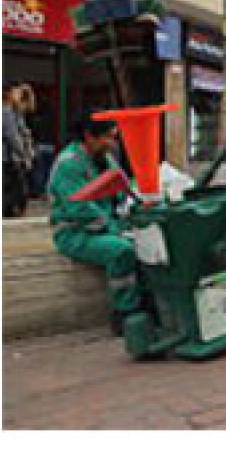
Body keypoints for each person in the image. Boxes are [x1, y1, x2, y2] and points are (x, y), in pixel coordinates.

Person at [48, 117, 144, 329]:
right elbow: (80, 209)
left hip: (103, 227)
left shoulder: (104, 158)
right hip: (75, 233)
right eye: (108, 137)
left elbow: (122, 188)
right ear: (89, 137)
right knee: (122, 250)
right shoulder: (68, 165)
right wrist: (116, 229)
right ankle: (125, 312)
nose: (113, 144)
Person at [2, 82, 33, 218]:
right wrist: (24, 155)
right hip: (10, 157)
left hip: (9, 156)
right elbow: (12, 136)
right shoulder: (6, 112)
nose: (17, 94)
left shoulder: (14, 111)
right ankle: (12, 210)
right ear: (8, 94)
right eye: (15, 92)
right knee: (16, 186)